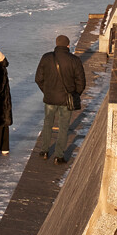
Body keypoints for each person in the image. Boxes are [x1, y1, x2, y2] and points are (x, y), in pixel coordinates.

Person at [34, 34, 85, 165]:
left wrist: (47, 91)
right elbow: (81, 82)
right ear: (68, 45)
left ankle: (44, 151)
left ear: (56, 44)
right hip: (66, 99)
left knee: (48, 124)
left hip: (50, 98)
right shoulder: (74, 60)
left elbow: (38, 79)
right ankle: (59, 156)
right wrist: (75, 94)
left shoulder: (46, 58)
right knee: (63, 127)